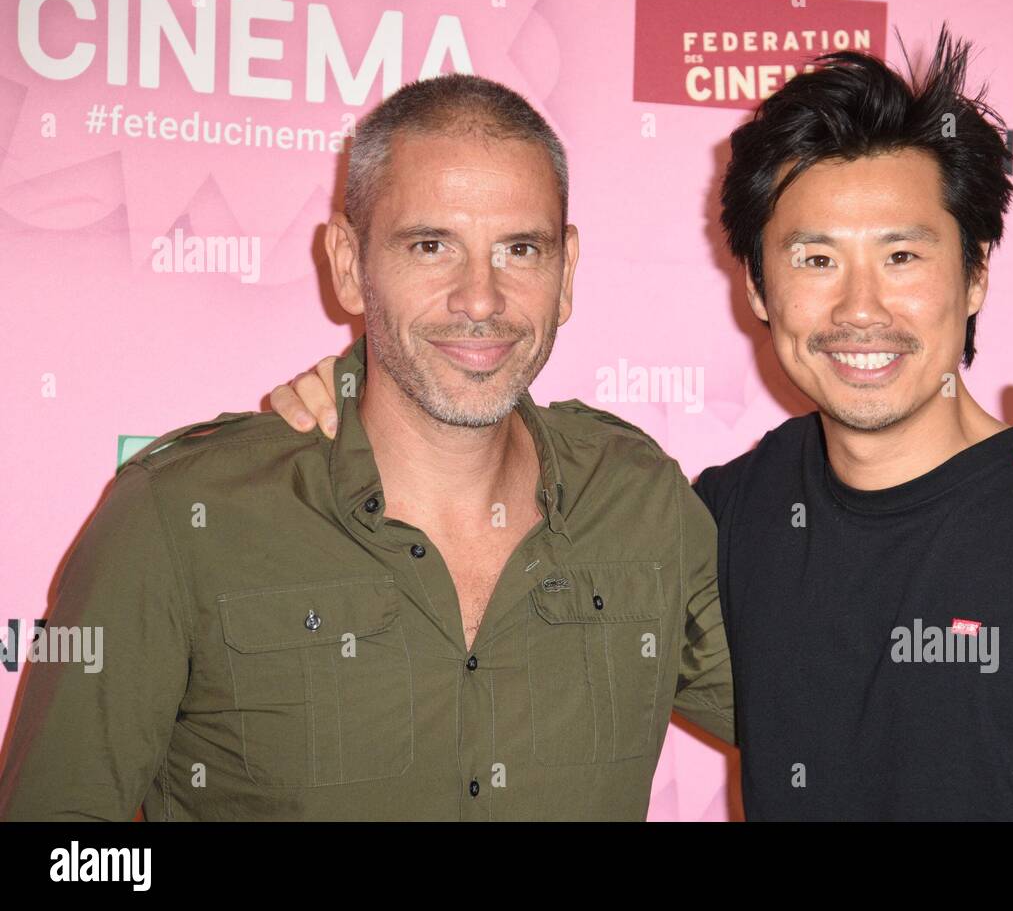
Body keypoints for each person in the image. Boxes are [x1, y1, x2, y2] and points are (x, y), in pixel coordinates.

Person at [260, 41, 1013, 821]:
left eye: (905, 255)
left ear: (975, 277)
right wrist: (357, 399)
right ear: (756, 285)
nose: (860, 307)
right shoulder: (713, 521)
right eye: (816, 257)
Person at [1, 74, 737, 820]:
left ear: (566, 271)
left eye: (520, 248)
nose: (480, 298)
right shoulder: (180, 514)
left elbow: (824, 719)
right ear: (350, 264)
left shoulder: (641, 501)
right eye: (430, 245)